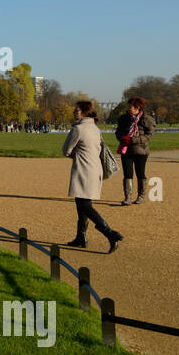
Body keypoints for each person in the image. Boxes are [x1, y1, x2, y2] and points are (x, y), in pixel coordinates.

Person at [63, 101, 123, 252]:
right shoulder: (95, 128)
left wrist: (76, 153)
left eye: (76, 110)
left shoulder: (78, 128)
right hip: (96, 169)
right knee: (81, 202)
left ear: (83, 112)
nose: (74, 112)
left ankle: (109, 233)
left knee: (84, 205)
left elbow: (66, 150)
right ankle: (81, 236)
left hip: (84, 169)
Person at [114, 96, 156, 205]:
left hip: (141, 150)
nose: (129, 108)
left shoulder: (147, 119)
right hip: (126, 150)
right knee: (127, 173)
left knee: (140, 173)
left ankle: (141, 196)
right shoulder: (123, 119)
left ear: (138, 107)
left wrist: (134, 140)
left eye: (131, 106)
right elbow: (118, 132)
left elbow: (149, 136)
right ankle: (127, 197)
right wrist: (122, 138)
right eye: (129, 105)